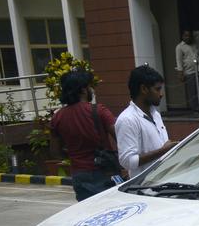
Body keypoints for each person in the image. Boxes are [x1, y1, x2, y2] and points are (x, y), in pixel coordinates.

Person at [49, 69, 119, 201]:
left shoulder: (57, 118)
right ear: (83, 90)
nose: (92, 89)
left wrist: (74, 157)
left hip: (79, 174)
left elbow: (55, 152)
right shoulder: (99, 111)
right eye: (89, 86)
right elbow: (120, 137)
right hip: (105, 171)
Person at [115, 64, 176, 176]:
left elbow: (162, 146)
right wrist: (163, 150)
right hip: (145, 188)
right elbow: (127, 161)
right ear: (143, 89)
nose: (161, 94)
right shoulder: (127, 119)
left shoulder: (155, 114)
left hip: (165, 181)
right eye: (157, 89)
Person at [174, 29, 199, 113]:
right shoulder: (180, 47)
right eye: (186, 35)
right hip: (189, 72)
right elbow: (179, 61)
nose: (188, 37)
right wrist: (180, 73)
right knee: (193, 92)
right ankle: (196, 110)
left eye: (189, 36)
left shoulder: (195, 43)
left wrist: (193, 34)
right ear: (182, 36)